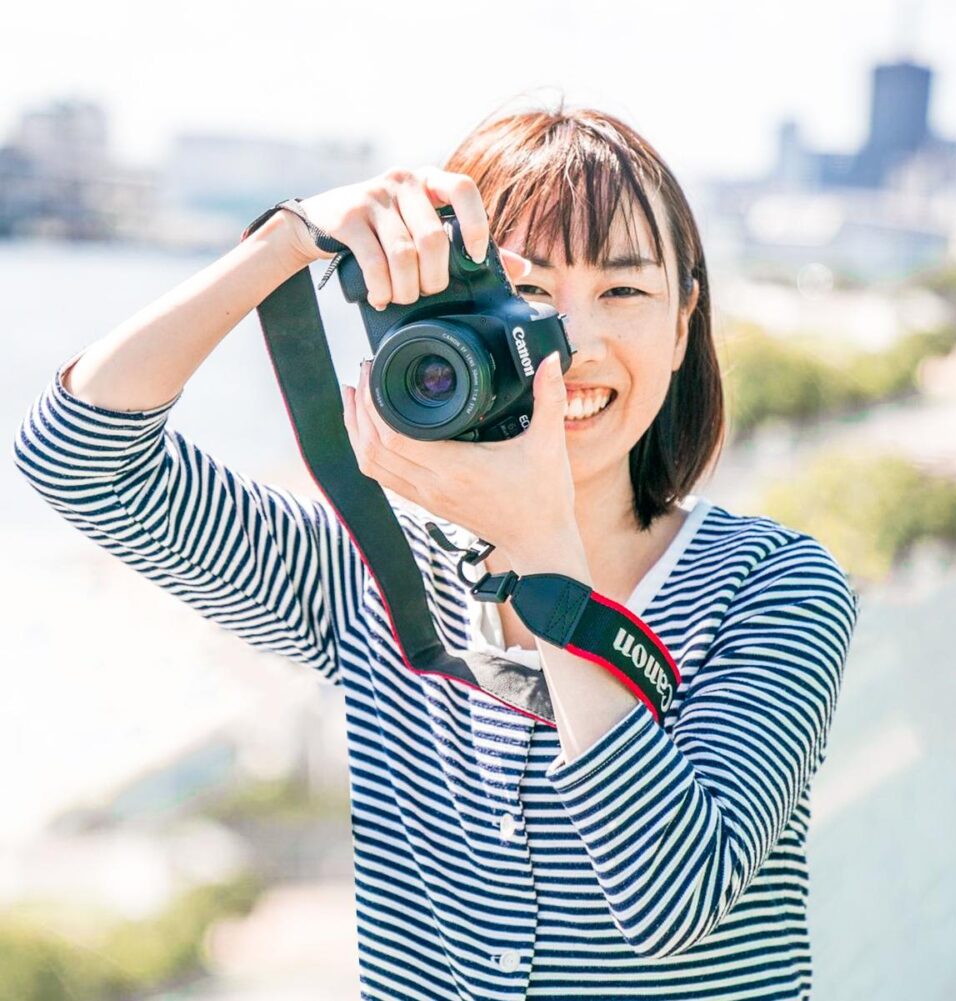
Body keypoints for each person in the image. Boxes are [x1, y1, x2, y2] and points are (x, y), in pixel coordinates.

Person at [13, 101, 861, 1000]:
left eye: (623, 291)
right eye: (526, 292)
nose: (566, 345)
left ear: (686, 323)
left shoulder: (774, 586)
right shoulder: (377, 574)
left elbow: (671, 898)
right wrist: (289, 244)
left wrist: (542, 541)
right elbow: (78, 458)